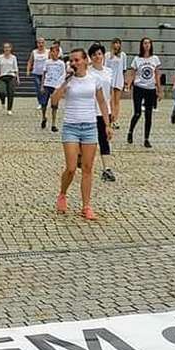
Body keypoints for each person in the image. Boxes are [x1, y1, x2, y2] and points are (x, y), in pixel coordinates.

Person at [52, 48, 111, 221]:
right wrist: (65, 82)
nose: (74, 63)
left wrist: (107, 125)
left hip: (90, 125)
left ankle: (86, 206)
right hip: (71, 125)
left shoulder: (95, 79)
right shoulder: (66, 79)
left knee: (87, 168)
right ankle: (62, 194)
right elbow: (54, 101)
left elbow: (101, 101)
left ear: (86, 61)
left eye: (77, 60)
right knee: (71, 168)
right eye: (72, 61)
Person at [88, 43, 116, 183]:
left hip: (105, 111)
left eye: (99, 54)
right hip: (90, 111)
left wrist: (113, 111)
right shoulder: (88, 72)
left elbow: (110, 93)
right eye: (94, 55)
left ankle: (107, 168)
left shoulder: (108, 71)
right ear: (91, 57)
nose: (97, 57)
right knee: (89, 140)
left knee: (104, 139)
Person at [126, 37, 161, 148]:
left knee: (148, 115)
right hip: (139, 87)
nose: (147, 45)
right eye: (145, 43)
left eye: (148, 43)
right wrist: (128, 84)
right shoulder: (137, 59)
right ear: (141, 45)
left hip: (150, 89)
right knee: (137, 113)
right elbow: (132, 73)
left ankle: (146, 138)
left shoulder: (155, 59)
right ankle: (130, 131)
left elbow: (157, 75)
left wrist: (159, 89)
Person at [40, 42, 65, 132]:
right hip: (47, 84)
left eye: (56, 52)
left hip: (56, 86)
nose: (54, 53)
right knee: (44, 104)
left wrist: (62, 88)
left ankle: (53, 124)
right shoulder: (47, 62)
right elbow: (44, 73)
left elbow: (63, 75)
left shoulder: (61, 63)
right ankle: (43, 117)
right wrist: (42, 85)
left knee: (54, 106)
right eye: (52, 52)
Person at [107, 38, 126, 129]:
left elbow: (124, 69)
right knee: (111, 100)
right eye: (115, 43)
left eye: (118, 43)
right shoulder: (107, 55)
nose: (117, 45)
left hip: (119, 79)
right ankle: (110, 118)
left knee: (117, 101)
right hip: (110, 79)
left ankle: (115, 120)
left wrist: (126, 82)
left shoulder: (123, 55)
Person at [0, 43, 19, 115]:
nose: (6, 49)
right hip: (2, 76)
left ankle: (9, 109)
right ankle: (3, 102)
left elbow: (16, 68)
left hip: (11, 76)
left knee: (11, 93)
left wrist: (18, 78)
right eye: (5, 47)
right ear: (3, 49)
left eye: (8, 47)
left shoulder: (13, 57)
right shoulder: (0, 57)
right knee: (1, 91)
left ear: (11, 48)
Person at [28, 38, 48, 111]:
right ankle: (40, 102)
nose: (41, 44)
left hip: (45, 73)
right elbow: (30, 61)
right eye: (39, 43)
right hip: (36, 73)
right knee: (38, 88)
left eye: (42, 42)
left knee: (44, 88)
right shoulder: (34, 52)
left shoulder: (47, 52)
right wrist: (28, 70)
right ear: (37, 44)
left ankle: (44, 102)